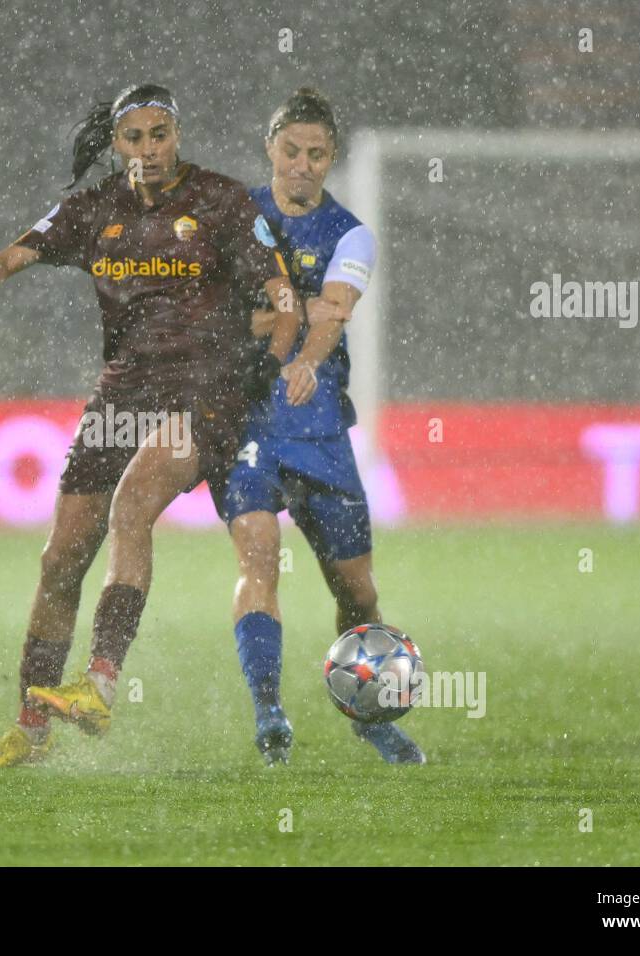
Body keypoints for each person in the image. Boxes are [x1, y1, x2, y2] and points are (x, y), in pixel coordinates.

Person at [0, 84, 307, 768]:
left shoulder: (220, 202)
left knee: (133, 503)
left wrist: (265, 366)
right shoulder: (95, 211)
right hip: (123, 394)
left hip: (204, 390)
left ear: (177, 134)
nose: (149, 149)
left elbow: (284, 302)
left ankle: (98, 685)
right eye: (134, 137)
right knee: (60, 560)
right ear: (117, 144)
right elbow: (23, 248)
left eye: (160, 134)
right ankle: (30, 729)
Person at [210, 88, 426, 765]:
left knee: (356, 591)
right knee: (257, 554)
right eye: (290, 150)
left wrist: (296, 342)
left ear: (331, 159)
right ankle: (269, 710)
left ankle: (368, 715)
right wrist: (285, 312)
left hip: (322, 429)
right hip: (247, 421)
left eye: (317, 154)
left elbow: (333, 312)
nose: (301, 164)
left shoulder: (351, 233)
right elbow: (216, 315)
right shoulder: (231, 217)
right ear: (270, 147)